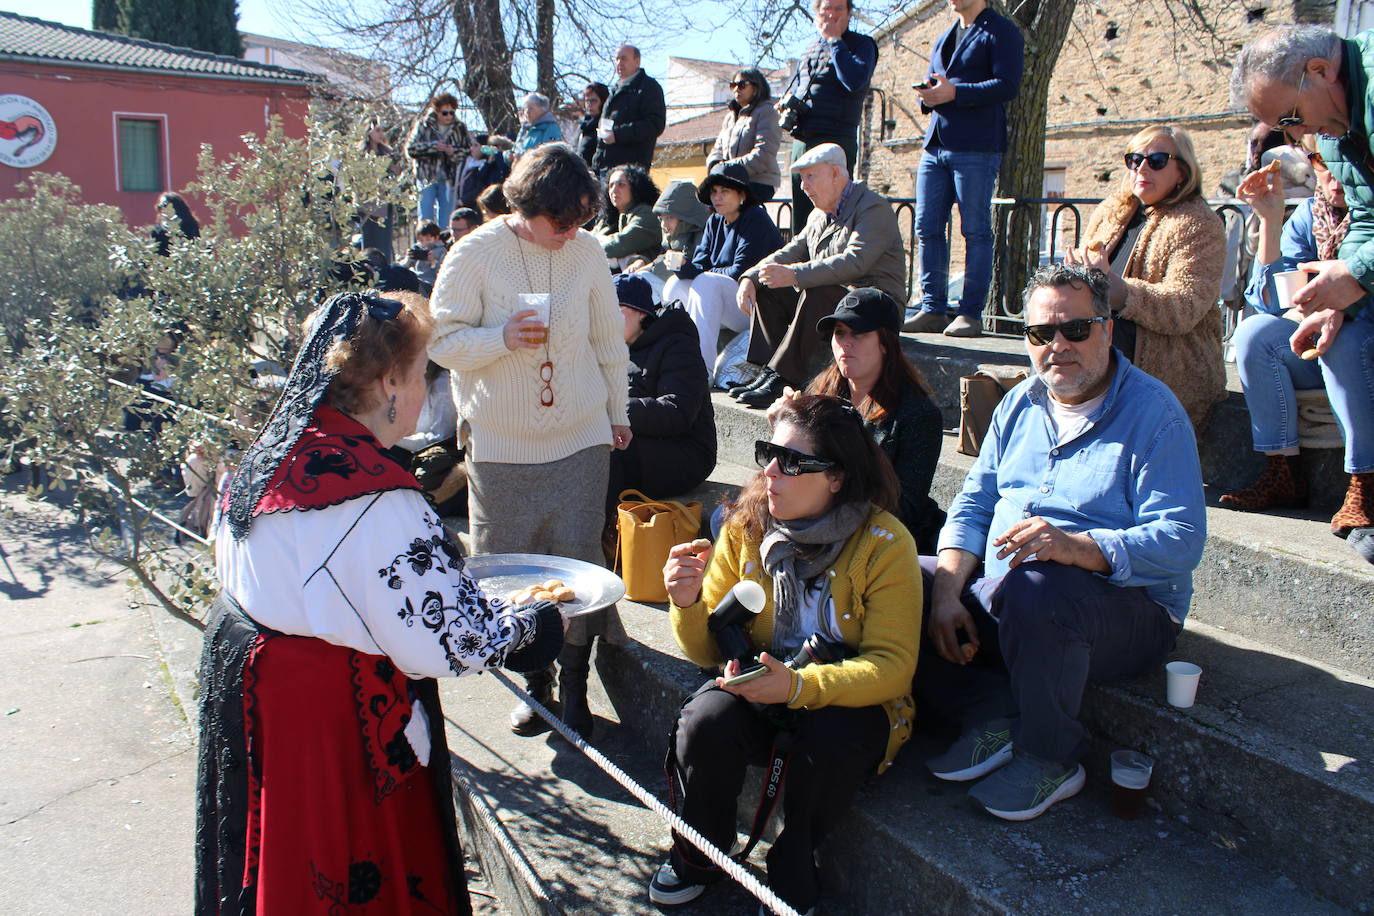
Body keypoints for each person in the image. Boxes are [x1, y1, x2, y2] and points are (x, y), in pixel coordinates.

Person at [197, 289, 565, 914]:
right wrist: (533, 625)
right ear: (391, 381)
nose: (425, 390)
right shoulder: (379, 501)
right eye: (423, 374)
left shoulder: (272, 454)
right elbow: (451, 641)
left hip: (266, 709)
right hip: (330, 731)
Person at [917, 264, 1205, 822]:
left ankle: (1052, 756)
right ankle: (997, 714)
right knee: (900, 576)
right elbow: (974, 505)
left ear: (1107, 330)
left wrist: (1079, 546)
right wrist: (949, 591)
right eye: (1040, 334)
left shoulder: (1155, 414)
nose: (1057, 346)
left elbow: (1181, 538)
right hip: (1010, 593)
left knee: (1039, 587)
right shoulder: (1019, 402)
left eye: (1075, 329)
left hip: (1123, 611)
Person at [651, 394, 920, 914]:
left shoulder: (885, 544)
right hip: (766, 684)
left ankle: (792, 863)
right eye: (768, 453)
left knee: (830, 738)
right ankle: (701, 849)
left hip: (847, 700)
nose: (771, 472)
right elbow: (706, 644)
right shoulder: (745, 527)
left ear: (837, 477)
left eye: (793, 462)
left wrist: (799, 688)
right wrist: (685, 603)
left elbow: (892, 667)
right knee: (704, 720)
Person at [428, 143, 632, 741]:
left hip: (581, 437)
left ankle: (575, 684)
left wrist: (618, 412)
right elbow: (440, 340)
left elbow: (607, 342)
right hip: (500, 444)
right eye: (562, 222)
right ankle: (534, 683)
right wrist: (501, 337)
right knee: (513, 574)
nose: (572, 234)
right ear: (528, 205)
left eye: (581, 222)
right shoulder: (476, 252)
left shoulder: (587, 252)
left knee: (577, 567)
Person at [1225, 143, 1374, 550]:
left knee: (1340, 336)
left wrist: (1342, 307)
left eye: (1340, 166)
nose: (1332, 176)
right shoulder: (1310, 215)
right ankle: (1282, 471)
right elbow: (1271, 302)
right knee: (1254, 334)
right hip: (1321, 347)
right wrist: (1271, 221)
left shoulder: (1368, 215)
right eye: (1321, 164)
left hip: (1362, 343)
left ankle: (1364, 482)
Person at [1065, 125, 1227, 434]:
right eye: (1134, 159)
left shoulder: (1199, 223)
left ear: (1182, 172)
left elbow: (1185, 307)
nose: (1141, 168)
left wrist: (1122, 294)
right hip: (1102, 343)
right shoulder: (1112, 211)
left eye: (1156, 160)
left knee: (1099, 335)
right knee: (1053, 329)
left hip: (1172, 360)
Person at [1230, 25, 1374, 360]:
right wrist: (1339, 303)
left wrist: (1355, 274)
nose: (1298, 132)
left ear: (1321, 70)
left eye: (1292, 116)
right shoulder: (1331, 130)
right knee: (1340, 344)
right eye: (1283, 127)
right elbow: (1368, 218)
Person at [733, 143, 906, 408]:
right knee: (769, 284)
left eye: (810, 176)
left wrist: (794, 274)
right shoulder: (818, 215)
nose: (803, 186)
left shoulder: (873, 208)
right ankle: (766, 371)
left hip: (876, 305)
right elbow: (790, 251)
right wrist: (751, 277)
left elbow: (855, 262)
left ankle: (784, 377)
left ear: (836, 174)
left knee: (817, 290)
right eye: (801, 178)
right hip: (839, 300)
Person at [903, 0, 1024, 339]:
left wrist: (955, 92)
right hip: (935, 144)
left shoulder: (1001, 30)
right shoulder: (945, 36)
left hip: (976, 146)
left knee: (974, 230)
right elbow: (936, 83)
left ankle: (970, 313)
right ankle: (933, 308)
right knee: (926, 227)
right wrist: (927, 95)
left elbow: (1007, 85)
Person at [806, 288, 946, 553]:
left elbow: (905, 507)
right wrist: (785, 429)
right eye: (839, 332)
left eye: (858, 333)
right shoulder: (820, 394)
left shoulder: (919, 414)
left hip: (886, 537)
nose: (846, 343)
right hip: (821, 519)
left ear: (885, 342)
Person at [607, 274, 716, 513]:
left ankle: (602, 536)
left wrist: (614, 410)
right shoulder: (618, 347)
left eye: (614, 309)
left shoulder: (677, 344)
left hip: (687, 453)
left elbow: (677, 412)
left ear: (640, 312)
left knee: (604, 455)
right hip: (642, 441)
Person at [663, 162, 784, 372]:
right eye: (714, 192)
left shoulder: (755, 218)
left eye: (725, 192)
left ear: (742, 195)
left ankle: (700, 372)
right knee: (675, 284)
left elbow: (740, 271)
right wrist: (682, 265)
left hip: (760, 308)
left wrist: (700, 272)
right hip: (726, 301)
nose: (717, 197)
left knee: (706, 282)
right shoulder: (714, 221)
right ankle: (672, 360)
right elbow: (701, 264)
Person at [778, 0, 877, 234]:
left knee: (835, 215)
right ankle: (799, 268)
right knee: (803, 219)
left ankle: (834, 267)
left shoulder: (862, 45)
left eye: (838, 9)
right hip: (802, 140)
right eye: (826, 10)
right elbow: (803, 89)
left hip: (835, 140)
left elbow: (853, 81)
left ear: (849, 14)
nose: (831, 15)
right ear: (816, 14)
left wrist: (835, 41)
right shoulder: (810, 48)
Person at [706, 68, 783, 203]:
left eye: (741, 85)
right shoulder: (730, 117)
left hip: (759, 182)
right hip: (729, 181)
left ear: (756, 88)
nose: (736, 89)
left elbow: (763, 154)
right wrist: (715, 165)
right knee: (705, 197)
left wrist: (728, 168)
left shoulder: (767, 112)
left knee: (728, 201)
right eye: (733, 85)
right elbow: (717, 150)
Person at [625, 179, 712, 293]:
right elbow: (661, 258)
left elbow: (691, 268)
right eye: (661, 218)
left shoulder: (702, 238)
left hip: (693, 294)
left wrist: (648, 268)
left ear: (685, 218)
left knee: (642, 279)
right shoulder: (672, 238)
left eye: (670, 218)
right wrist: (642, 262)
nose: (664, 224)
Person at [593, 44, 667, 174]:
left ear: (637, 61)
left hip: (631, 171)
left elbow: (655, 124)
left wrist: (618, 135)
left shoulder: (648, 88)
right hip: (605, 169)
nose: (619, 63)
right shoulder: (615, 91)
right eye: (616, 59)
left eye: (624, 58)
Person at [406, 93, 468, 225]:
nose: (449, 116)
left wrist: (453, 152)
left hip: (448, 178)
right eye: (445, 113)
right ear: (437, 111)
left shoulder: (460, 128)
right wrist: (433, 147)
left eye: (452, 112)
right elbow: (411, 149)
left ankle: (445, 242)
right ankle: (425, 242)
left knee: (447, 217)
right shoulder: (423, 125)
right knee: (425, 215)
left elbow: (467, 151)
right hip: (426, 177)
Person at [596, 164, 663, 270]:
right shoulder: (609, 217)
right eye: (611, 185)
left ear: (636, 187)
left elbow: (619, 245)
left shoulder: (647, 214)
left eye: (621, 185)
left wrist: (590, 244)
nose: (614, 190)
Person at [456, 134, 509, 212]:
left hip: (487, 205)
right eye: (471, 145)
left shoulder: (499, 163)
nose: (472, 148)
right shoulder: (478, 164)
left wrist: (497, 156)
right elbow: (480, 176)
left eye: (476, 145)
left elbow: (480, 186)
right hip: (470, 205)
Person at [150, 191, 200, 257]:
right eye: (160, 207)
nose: (162, 209)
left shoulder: (190, 226)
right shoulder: (157, 231)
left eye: (165, 205)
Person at [514, 92, 564, 157]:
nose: (527, 111)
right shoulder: (525, 129)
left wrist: (522, 156)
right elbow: (515, 149)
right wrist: (508, 156)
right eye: (525, 108)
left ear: (542, 109)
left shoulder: (550, 128)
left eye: (531, 108)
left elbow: (549, 154)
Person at [402, 220, 448, 288]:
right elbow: (404, 266)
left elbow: (443, 273)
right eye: (421, 240)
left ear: (436, 237)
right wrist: (409, 257)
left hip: (430, 283)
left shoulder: (441, 251)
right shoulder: (417, 248)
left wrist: (433, 262)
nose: (424, 243)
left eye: (428, 240)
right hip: (415, 279)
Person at [578, 82, 610, 166]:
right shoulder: (584, 125)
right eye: (586, 100)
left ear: (603, 102)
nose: (589, 104)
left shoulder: (606, 125)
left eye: (593, 100)